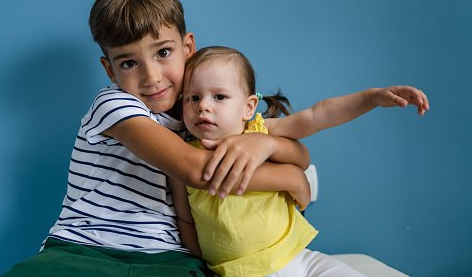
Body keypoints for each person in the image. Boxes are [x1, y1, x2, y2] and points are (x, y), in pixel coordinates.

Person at [2, 0, 313, 277]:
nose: (151, 77)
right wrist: (290, 177)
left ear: (187, 48)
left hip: (171, 256)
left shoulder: (204, 116)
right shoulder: (115, 106)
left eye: (163, 52)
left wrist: (270, 144)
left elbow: (299, 153)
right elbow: (197, 170)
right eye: (128, 63)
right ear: (110, 70)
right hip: (84, 247)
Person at [169, 46, 430, 276]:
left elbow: (317, 115)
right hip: (239, 272)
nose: (203, 106)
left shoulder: (262, 130)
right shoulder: (183, 158)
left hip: (299, 258)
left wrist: (370, 98)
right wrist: (203, 264)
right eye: (193, 97)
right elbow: (186, 220)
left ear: (248, 107)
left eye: (219, 97)